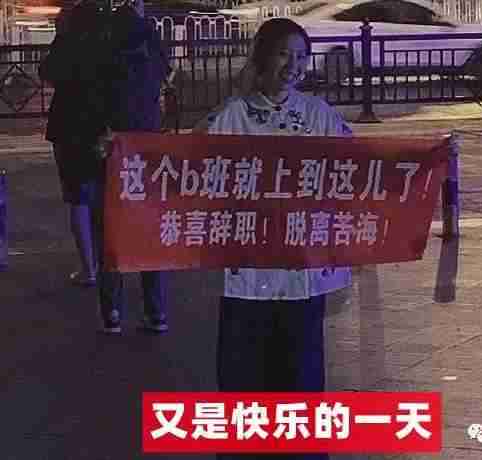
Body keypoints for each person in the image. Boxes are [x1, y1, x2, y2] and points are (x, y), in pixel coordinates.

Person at [195, 18, 352, 460]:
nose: (293, 65)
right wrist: (121, 150)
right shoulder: (232, 116)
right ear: (263, 56)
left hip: (303, 270)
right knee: (244, 376)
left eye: (301, 56)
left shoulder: (318, 115)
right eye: (284, 54)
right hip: (246, 271)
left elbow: (363, 163)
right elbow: (181, 163)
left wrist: (433, 154)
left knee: (301, 374)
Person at [94, 0, 173, 334]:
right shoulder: (151, 42)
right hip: (147, 146)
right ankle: (156, 312)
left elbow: (93, 93)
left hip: (112, 147)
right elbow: (166, 73)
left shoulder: (105, 42)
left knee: (110, 229)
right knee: (149, 229)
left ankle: (112, 312)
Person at [39, 0, 110, 287]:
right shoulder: (105, 46)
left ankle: (89, 268)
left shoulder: (66, 45)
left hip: (68, 129)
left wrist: (60, 36)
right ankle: (106, 263)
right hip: (100, 128)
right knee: (101, 197)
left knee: (77, 197)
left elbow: (47, 73)